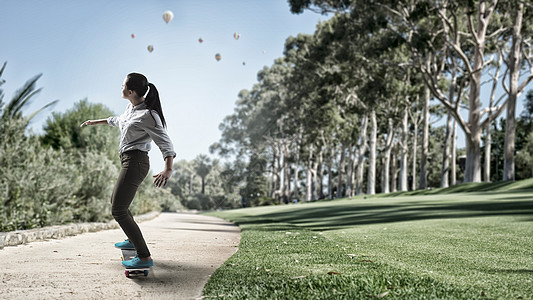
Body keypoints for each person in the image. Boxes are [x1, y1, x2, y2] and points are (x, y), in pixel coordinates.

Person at [80, 73, 176, 269]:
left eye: (123, 85)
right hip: (128, 161)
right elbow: (118, 120)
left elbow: (165, 142)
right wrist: (94, 122)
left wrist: (168, 169)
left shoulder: (149, 115)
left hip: (136, 162)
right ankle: (132, 241)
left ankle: (144, 257)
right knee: (117, 204)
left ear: (130, 91)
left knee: (118, 209)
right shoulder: (131, 108)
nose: (121, 87)